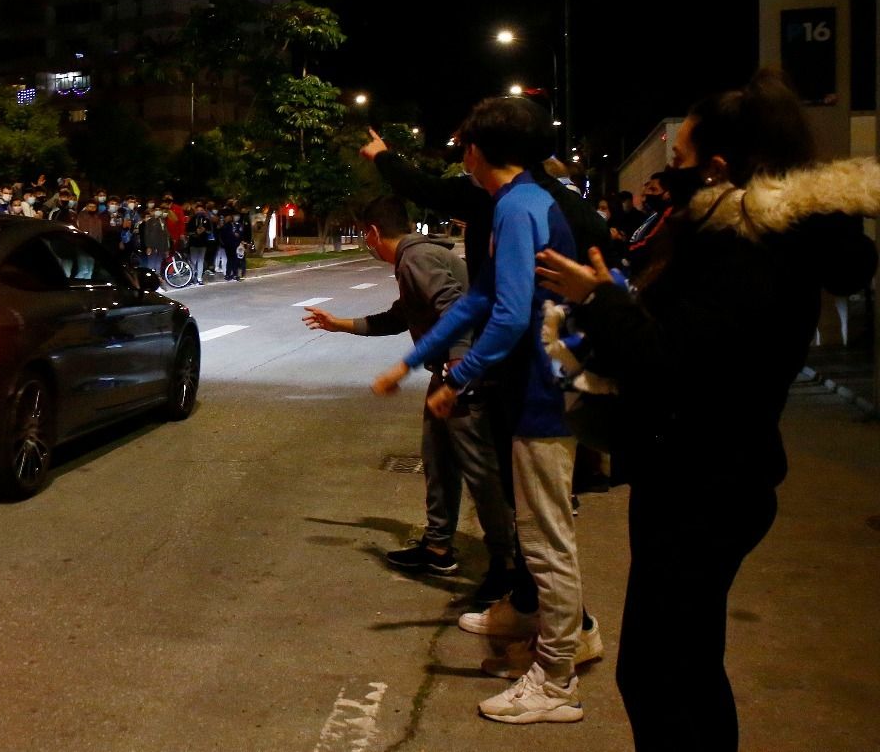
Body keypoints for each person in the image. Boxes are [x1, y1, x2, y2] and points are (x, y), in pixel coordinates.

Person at [535, 70, 877, 751]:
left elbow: (669, 359)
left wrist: (598, 298)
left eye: (681, 160)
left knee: (660, 676)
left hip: (705, 483)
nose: (670, 173)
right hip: (708, 474)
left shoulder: (745, 249)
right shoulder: (758, 237)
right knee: (684, 668)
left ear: (719, 167)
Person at [372, 96, 591, 726]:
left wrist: (459, 377)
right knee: (539, 533)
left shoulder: (519, 208)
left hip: (546, 389)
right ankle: (547, 637)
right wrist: (415, 364)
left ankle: (556, 678)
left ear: (474, 150)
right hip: (530, 385)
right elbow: (480, 299)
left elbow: (509, 310)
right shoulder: (511, 203)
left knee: (548, 539)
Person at [304, 195, 515, 602]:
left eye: (365, 236)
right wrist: (340, 324)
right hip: (449, 375)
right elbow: (400, 318)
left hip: (464, 377)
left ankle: (505, 568)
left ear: (373, 233)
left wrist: (456, 374)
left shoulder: (415, 260)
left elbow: (457, 308)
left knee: (480, 475)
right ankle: (438, 548)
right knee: (438, 461)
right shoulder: (418, 258)